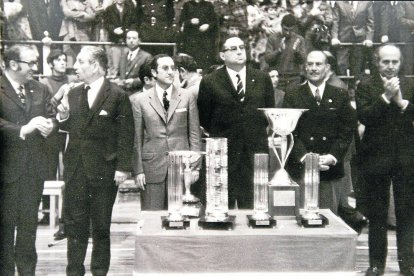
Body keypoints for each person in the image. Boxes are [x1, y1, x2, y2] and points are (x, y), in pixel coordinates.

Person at [56, 46, 134, 276]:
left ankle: (99, 272)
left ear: (96, 66)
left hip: (104, 171)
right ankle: (74, 272)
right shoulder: (73, 93)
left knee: (101, 227)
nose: (76, 66)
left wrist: (122, 167)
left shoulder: (118, 95)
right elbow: (71, 127)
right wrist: (63, 117)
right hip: (76, 170)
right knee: (75, 226)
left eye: (80, 62)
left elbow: (126, 134)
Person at [356, 44, 414, 276]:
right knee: (377, 214)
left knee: (406, 213)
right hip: (376, 159)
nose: (390, 66)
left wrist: (401, 103)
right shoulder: (366, 86)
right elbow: (365, 117)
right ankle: (376, 264)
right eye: (385, 62)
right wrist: (386, 97)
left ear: (400, 63)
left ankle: (407, 263)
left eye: (394, 62)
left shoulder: (410, 84)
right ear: (377, 63)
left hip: (406, 159)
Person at [198, 36, 274, 209]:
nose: (239, 51)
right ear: (222, 55)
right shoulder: (210, 81)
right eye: (233, 49)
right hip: (224, 154)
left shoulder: (262, 78)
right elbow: (205, 118)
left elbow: (269, 112)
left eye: (242, 47)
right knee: (222, 208)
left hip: (254, 153)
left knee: (255, 209)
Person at [0, 45, 57, 276]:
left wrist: (50, 125)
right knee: (4, 230)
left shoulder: (40, 88)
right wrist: (22, 129)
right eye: (31, 63)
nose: (36, 67)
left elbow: (52, 116)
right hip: (5, 171)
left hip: (33, 171)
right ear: (14, 65)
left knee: (28, 229)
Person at [283, 50, 354, 214]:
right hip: (301, 168)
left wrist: (333, 157)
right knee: (301, 220)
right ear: (305, 67)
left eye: (318, 64)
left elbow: (346, 131)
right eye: (310, 64)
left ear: (327, 68)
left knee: (329, 221)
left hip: (330, 169)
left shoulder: (340, 95)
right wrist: (304, 157)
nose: (314, 68)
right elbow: (289, 131)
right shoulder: (292, 94)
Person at [131, 54, 201, 210]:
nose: (170, 72)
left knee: (181, 218)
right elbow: (137, 138)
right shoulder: (139, 100)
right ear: (154, 73)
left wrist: (195, 166)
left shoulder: (187, 96)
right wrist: (138, 170)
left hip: (183, 166)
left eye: (173, 68)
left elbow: (194, 133)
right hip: (151, 166)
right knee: (151, 216)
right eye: (165, 68)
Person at [39, 49, 78, 240]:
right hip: (51, 133)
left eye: (64, 60)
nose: (63, 63)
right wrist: (59, 95)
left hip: (69, 132)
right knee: (48, 170)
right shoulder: (44, 83)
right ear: (51, 63)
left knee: (67, 174)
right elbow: (44, 109)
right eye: (58, 60)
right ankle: (48, 212)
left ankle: (65, 218)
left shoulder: (72, 79)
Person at [264, 13, 306, 91]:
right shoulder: (273, 38)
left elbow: (303, 60)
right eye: (285, 29)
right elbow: (267, 59)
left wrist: (297, 52)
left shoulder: (299, 39)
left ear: (295, 28)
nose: (287, 32)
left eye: (291, 30)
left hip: (294, 78)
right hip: (278, 78)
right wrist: (279, 51)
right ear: (281, 26)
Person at [331, 1, 374, 77]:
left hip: (359, 41)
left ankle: (355, 87)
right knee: (341, 66)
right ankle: (343, 87)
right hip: (343, 40)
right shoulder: (339, 3)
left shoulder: (367, 2)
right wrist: (334, 37)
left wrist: (369, 38)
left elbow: (370, 22)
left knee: (357, 68)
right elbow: (335, 22)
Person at [113, 29, 153, 95]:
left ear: (139, 41)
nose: (131, 40)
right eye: (129, 38)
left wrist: (134, 82)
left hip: (139, 94)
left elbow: (149, 78)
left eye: (134, 38)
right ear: (126, 40)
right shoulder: (123, 56)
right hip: (123, 94)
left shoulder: (147, 57)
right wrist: (117, 80)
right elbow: (119, 74)